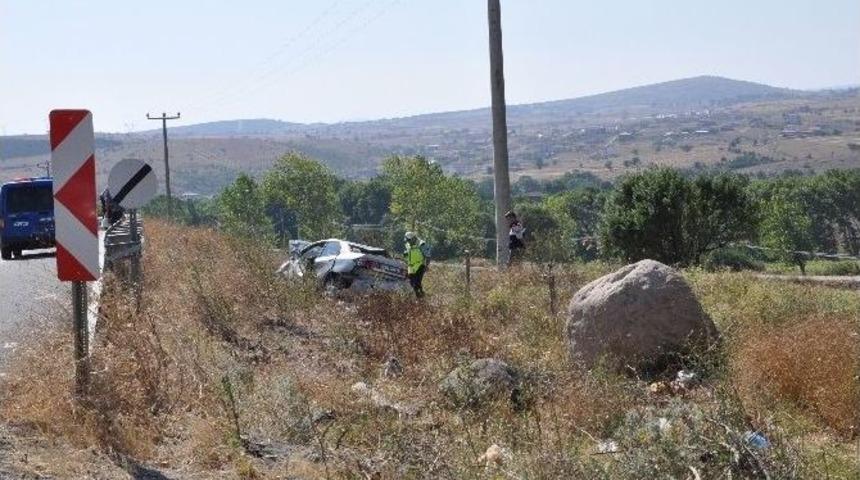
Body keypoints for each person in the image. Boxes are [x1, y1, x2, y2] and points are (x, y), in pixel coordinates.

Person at [403, 231, 429, 298]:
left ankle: (421, 297)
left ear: (413, 239)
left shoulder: (421, 244)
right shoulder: (407, 245)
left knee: (417, 283)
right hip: (411, 267)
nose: (408, 242)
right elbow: (408, 255)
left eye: (409, 240)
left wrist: (426, 266)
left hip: (420, 265)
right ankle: (419, 296)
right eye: (407, 240)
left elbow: (427, 256)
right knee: (412, 283)